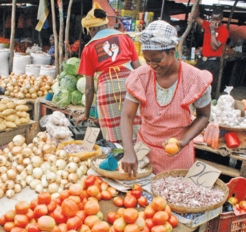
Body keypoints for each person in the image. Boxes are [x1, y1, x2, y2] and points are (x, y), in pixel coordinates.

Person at [120, 20, 212, 176]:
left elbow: (204, 116)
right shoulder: (140, 77)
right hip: (144, 154)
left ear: (172, 51)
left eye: (157, 60)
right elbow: (127, 116)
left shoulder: (195, 79)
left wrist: (183, 141)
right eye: (148, 60)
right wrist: (129, 152)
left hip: (178, 156)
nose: (152, 66)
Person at [75, 2, 141, 144]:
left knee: (113, 137)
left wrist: (86, 114)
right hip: (129, 86)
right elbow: (139, 70)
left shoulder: (89, 48)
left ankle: (117, 160)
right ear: (106, 24)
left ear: (91, 29)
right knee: (135, 128)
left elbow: (88, 88)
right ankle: (140, 161)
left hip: (107, 90)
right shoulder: (125, 38)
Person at [193, 6, 229, 98]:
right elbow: (195, 17)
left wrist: (212, 31)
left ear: (221, 19)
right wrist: (197, 4)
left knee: (209, 87)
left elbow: (215, 46)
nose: (215, 22)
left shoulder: (224, 31)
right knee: (195, 82)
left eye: (217, 19)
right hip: (203, 60)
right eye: (213, 19)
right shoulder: (207, 25)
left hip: (213, 63)